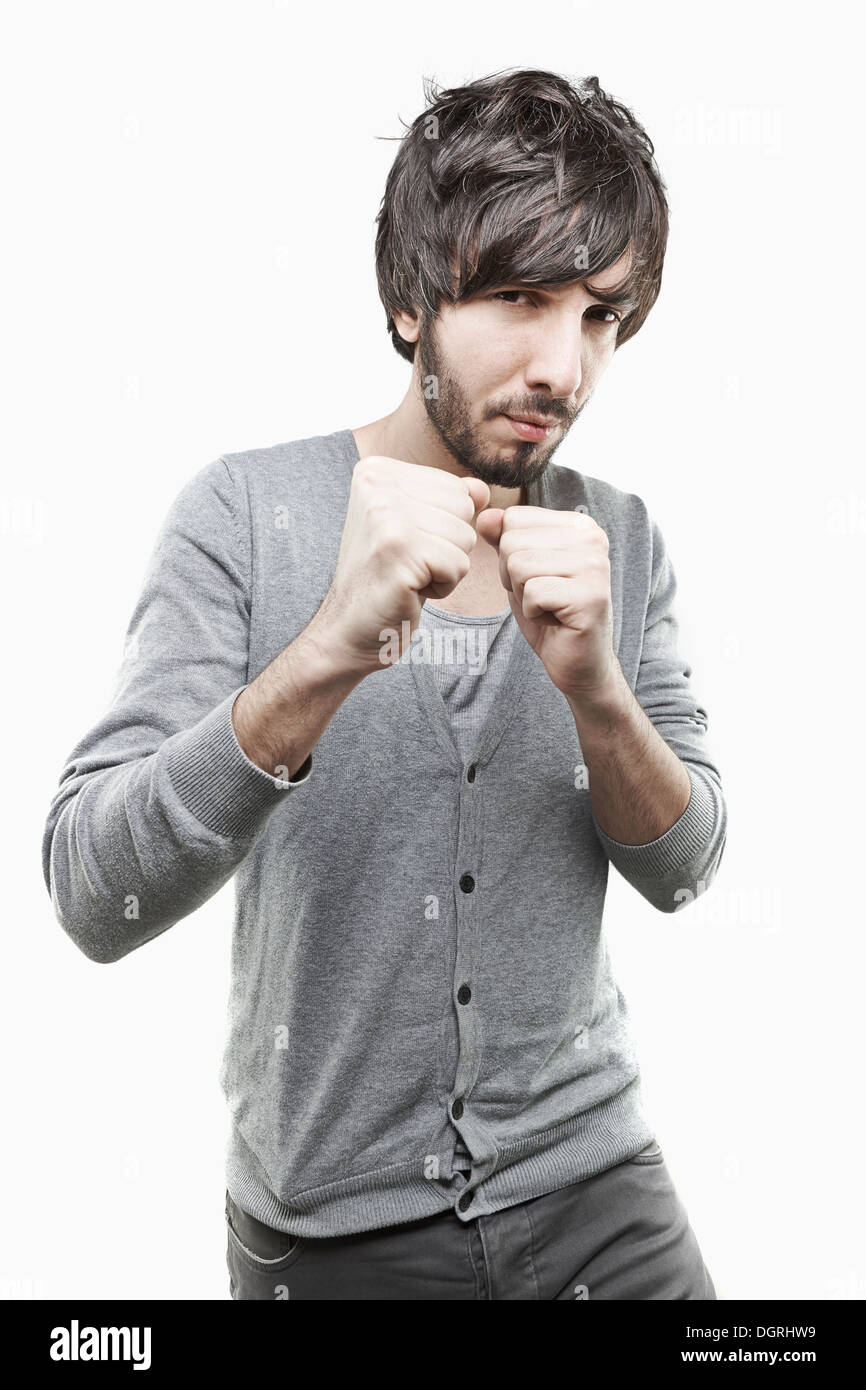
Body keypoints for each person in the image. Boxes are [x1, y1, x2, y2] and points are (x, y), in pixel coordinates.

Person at [42, 68, 726, 1300]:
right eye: (518, 298)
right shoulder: (244, 516)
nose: (560, 366)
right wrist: (325, 654)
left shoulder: (616, 537)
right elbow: (94, 893)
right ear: (411, 302)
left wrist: (594, 692)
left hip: (600, 1195)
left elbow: (687, 869)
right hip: (336, 1228)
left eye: (597, 317)